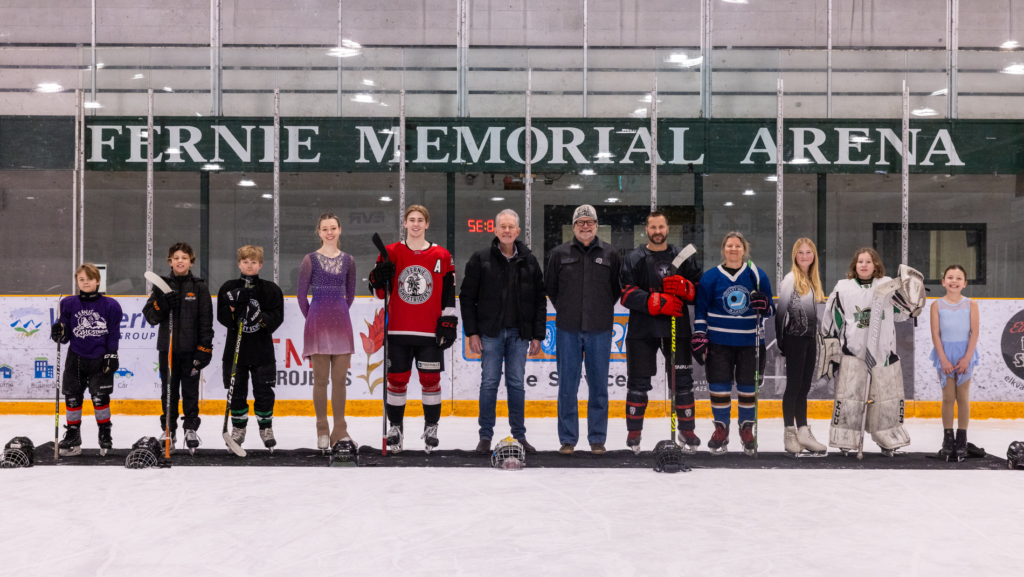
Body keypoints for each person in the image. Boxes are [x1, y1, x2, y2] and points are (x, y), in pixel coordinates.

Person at [819, 248, 925, 456]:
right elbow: (833, 319)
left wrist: (913, 306)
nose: (864, 265)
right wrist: (830, 352)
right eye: (860, 262)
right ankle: (846, 438)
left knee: (887, 399)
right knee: (849, 398)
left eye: (868, 262)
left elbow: (901, 313)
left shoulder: (887, 286)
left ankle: (887, 437)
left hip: (884, 354)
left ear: (875, 265)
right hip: (854, 354)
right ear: (854, 265)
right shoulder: (843, 288)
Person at [369, 205, 457, 453]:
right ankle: (395, 427)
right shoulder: (390, 252)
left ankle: (431, 427)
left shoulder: (442, 255)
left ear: (427, 224)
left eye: (420, 220)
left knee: (431, 380)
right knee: (396, 381)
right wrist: (378, 276)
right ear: (405, 224)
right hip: (398, 330)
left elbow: (449, 292)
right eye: (411, 220)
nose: (416, 224)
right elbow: (379, 292)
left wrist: (448, 322)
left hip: (430, 331)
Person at [460, 208, 546, 455]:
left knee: (517, 384)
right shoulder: (481, 258)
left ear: (518, 231)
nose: (507, 230)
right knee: (489, 383)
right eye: (503, 227)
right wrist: (472, 332)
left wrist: (537, 334)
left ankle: (519, 435)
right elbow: (467, 298)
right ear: (495, 230)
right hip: (490, 333)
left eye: (511, 227)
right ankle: (485, 436)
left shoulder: (529, 261)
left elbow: (540, 299)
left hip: (520, 335)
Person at [618, 211, 702, 455]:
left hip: (677, 327)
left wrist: (687, 289)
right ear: (646, 229)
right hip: (642, 329)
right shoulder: (633, 257)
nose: (657, 231)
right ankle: (634, 431)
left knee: (683, 382)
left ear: (668, 229)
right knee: (638, 382)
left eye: (661, 226)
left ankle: (686, 429)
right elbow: (624, 292)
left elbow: (699, 288)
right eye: (652, 227)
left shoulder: (682, 256)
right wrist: (653, 301)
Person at [545, 204, 621, 455]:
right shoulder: (558, 253)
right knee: (567, 385)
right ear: (574, 226)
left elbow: (615, 290)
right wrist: (568, 308)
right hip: (567, 328)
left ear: (597, 225)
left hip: (600, 328)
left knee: (599, 386)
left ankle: (597, 439)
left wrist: (596, 309)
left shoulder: (610, 254)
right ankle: (568, 439)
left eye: (590, 222)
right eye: (581, 222)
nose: (585, 226)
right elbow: (551, 288)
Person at [692, 232, 774, 456]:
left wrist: (764, 305)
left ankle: (746, 428)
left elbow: (770, 309)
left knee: (748, 389)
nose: (733, 249)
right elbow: (701, 310)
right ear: (723, 249)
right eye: (729, 246)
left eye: (738, 246)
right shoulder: (710, 278)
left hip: (750, 342)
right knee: (719, 388)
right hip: (719, 343)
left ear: (744, 249)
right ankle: (722, 428)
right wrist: (700, 334)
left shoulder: (756, 275)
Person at [143, 242, 215, 453]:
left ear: (191, 261)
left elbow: (206, 321)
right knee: (169, 393)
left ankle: (190, 429)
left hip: (192, 351)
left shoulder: (199, 287)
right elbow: (150, 316)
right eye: (176, 257)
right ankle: (169, 430)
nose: (180, 261)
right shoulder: (161, 286)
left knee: (191, 392)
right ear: (170, 261)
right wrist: (162, 304)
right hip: (168, 351)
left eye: (184, 257)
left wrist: (205, 348)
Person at [298, 213, 357, 452]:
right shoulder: (309, 260)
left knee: (340, 381)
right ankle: (322, 428)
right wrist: (314, 318)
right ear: (319, 232)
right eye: (325, 229)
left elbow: (350, 294)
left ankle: (339, 429)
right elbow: (302, 297)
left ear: (340, 229)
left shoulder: (349, 260)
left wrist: (338, 313)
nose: (329, 232)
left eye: (333, 228)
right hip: (317, 324)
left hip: (342, 324)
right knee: (321, 380)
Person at [50, 263, 122, 456]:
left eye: (89, 279)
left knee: (100, 399)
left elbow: (113, 333)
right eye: (81, 279)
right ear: (77, 282)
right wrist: (58, 332)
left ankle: (104, 433)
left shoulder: (110, 305)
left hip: (100, 358)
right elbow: (64, 338)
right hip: (76, 358)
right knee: (72, 398)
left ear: (98, 281)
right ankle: (73, 435)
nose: (85, 282)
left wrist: (111, 354)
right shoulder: (68, 303)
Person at [217, 245, 285, 451]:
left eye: (253, 262)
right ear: (239, 263)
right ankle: (238, 430)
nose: (249, 265)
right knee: (236, 392)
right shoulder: (228, 288)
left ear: (261, 265)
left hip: (262, 352)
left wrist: (258, 316)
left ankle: (266, 428)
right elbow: (222, 317)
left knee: (264, 392)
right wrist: (236, 307)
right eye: (245, 261)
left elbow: (277, 317)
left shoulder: (271, 289)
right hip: (235, 351)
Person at [775, 238, 828, 456]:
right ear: (794, 256)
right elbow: (780, 314)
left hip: (809, 339)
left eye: (809, 252)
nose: (805, 256)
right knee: (794, 387)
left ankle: (804, 432)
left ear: (814, 255)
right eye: (800, 252)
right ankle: (790, 434)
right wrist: (781, 343)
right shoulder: (790, 279)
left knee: (805, 388)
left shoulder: (812, 280)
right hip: (794, 339)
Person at [929, 264, 979, 461]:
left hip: (965, 353)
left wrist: (967, 357)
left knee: (963, 397)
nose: (954, 281)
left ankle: (962, 439)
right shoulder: (937, 305)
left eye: (959, 278)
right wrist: (943, 358)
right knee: (948, 397)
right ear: (943, 282)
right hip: (945, 353)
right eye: (950, 277)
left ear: (965, 283)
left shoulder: (971, 304)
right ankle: (948, 439)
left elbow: (974, 332)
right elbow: (935, 333)